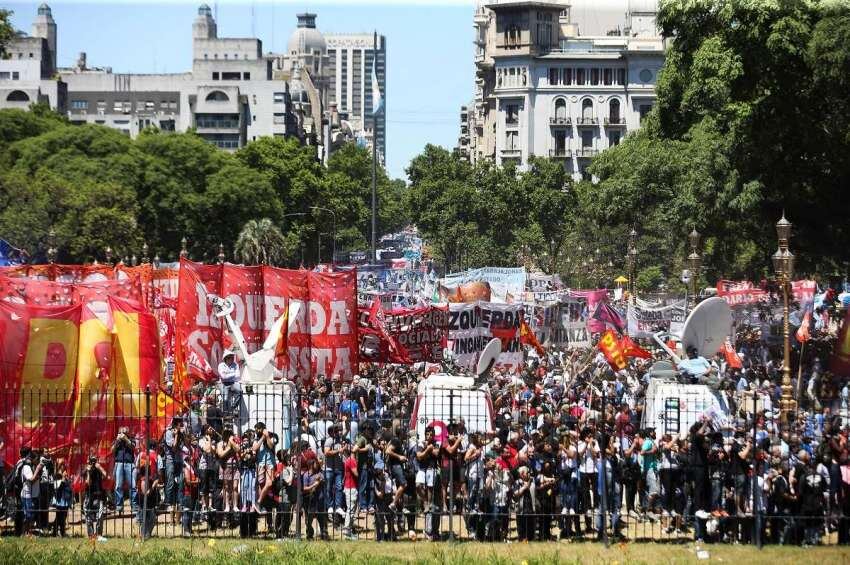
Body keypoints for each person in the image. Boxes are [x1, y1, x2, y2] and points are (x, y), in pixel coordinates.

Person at [19, 448, 44, 537]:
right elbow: (31, 479)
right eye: (36, 459)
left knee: (30, 514)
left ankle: (27, 533)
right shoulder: (26, 467)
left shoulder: (30, 467)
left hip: (30, 494)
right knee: (28, 515)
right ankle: (24, 533)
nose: (37, 461)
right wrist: (37, 469)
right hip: (26, 494)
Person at [112, 426, 137, 515]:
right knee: (118, 485)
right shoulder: (117, 440)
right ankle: (119, 507)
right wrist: (117, 441)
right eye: (121, 433)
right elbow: (112, 450)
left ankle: (134, 506)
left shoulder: (131, 439)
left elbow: (133, 447)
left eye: (125, 433)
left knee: (133, 486)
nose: (123, 434)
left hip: (129, 463)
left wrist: (126, 439)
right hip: (118, 463)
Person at [84, 455, 108, 541]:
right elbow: (88, 483)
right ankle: (91, 536)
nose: (93, 463)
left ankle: (99, 534)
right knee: (88, 516)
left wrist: (100, 468)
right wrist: (88, 472)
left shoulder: (98, 469)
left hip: (98, 495)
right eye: (91, 460)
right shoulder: (86, 470)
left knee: (100, 516)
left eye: (94, 460)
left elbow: (106, 476)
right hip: (89, 495)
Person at [50, 461, 72, 537]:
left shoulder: (66, 476)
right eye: (62, 465)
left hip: (65, 500)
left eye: (64, 465)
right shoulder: (57, 476)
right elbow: (58, 489)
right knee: (59, 517)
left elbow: (68, 487)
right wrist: (63, 479)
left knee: (63, 517)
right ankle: (58, 533)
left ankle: (60, 532)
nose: (63, 467)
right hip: (60, 500)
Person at [342, 442, 359, 540]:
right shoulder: (351, 460)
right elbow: (356, 473)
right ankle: (347, 531)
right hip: (351, 487)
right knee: (351, 509)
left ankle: (348, 530)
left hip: (349, 487)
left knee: (351, 509)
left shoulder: (349, 460)